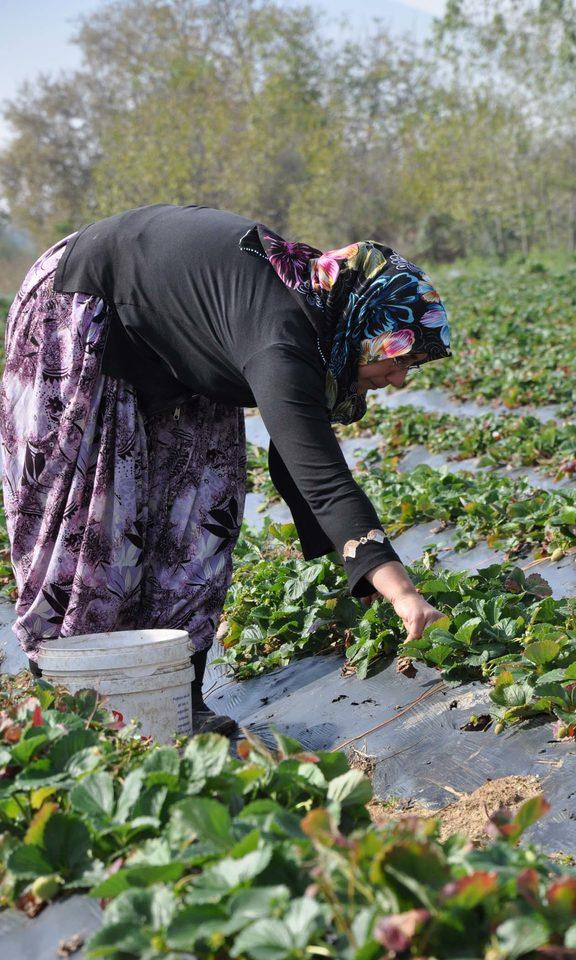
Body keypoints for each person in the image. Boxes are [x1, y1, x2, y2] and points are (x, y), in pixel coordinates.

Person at [0, 204, 451, 735]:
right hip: (85, 304)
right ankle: (66, 707)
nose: (398, 379)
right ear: (365, 327)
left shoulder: (319, 316)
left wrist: (366, 572)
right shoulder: (281, 333)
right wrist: (400, 590)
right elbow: (321, 476)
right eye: (397, 358)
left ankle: (177, 699)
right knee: (90, 521)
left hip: (184, 343)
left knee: (203, 514)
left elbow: (297, 454)